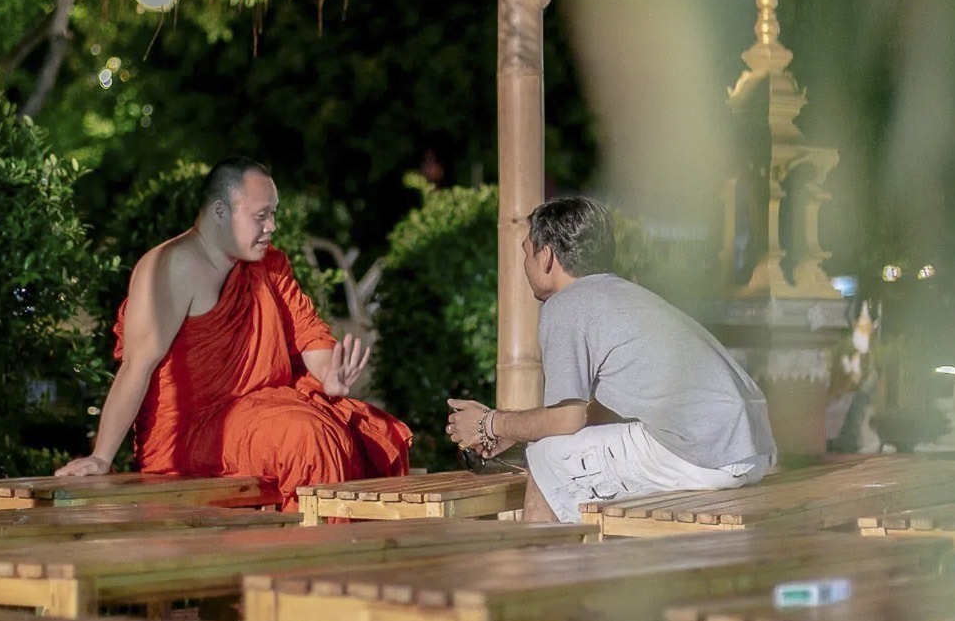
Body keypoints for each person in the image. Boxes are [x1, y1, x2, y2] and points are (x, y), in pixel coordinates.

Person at [56, 157, 411, 512]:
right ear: (220, 211)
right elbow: (137, 365)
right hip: (192, 431)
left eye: (273, 214)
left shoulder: (269, 265)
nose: (271, 226)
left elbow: (308, 334)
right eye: (261, 215)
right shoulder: (173, 265)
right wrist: (101, 456)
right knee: (305, 437)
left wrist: (330, 374)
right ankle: (313, 546)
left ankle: (335, 543)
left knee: (371, 431)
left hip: (261, 413)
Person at [446, 197, 775, 523]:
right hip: (750, 450)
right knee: (562, 454)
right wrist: (515, 431)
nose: (525, 265)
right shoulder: (626, 294)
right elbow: (602, 412)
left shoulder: (566, 305)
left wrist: (489, 423)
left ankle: (539, 556)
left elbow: (566, 420)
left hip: (701, 452)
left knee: (548, 458)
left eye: (526, 253)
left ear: (546, 257)